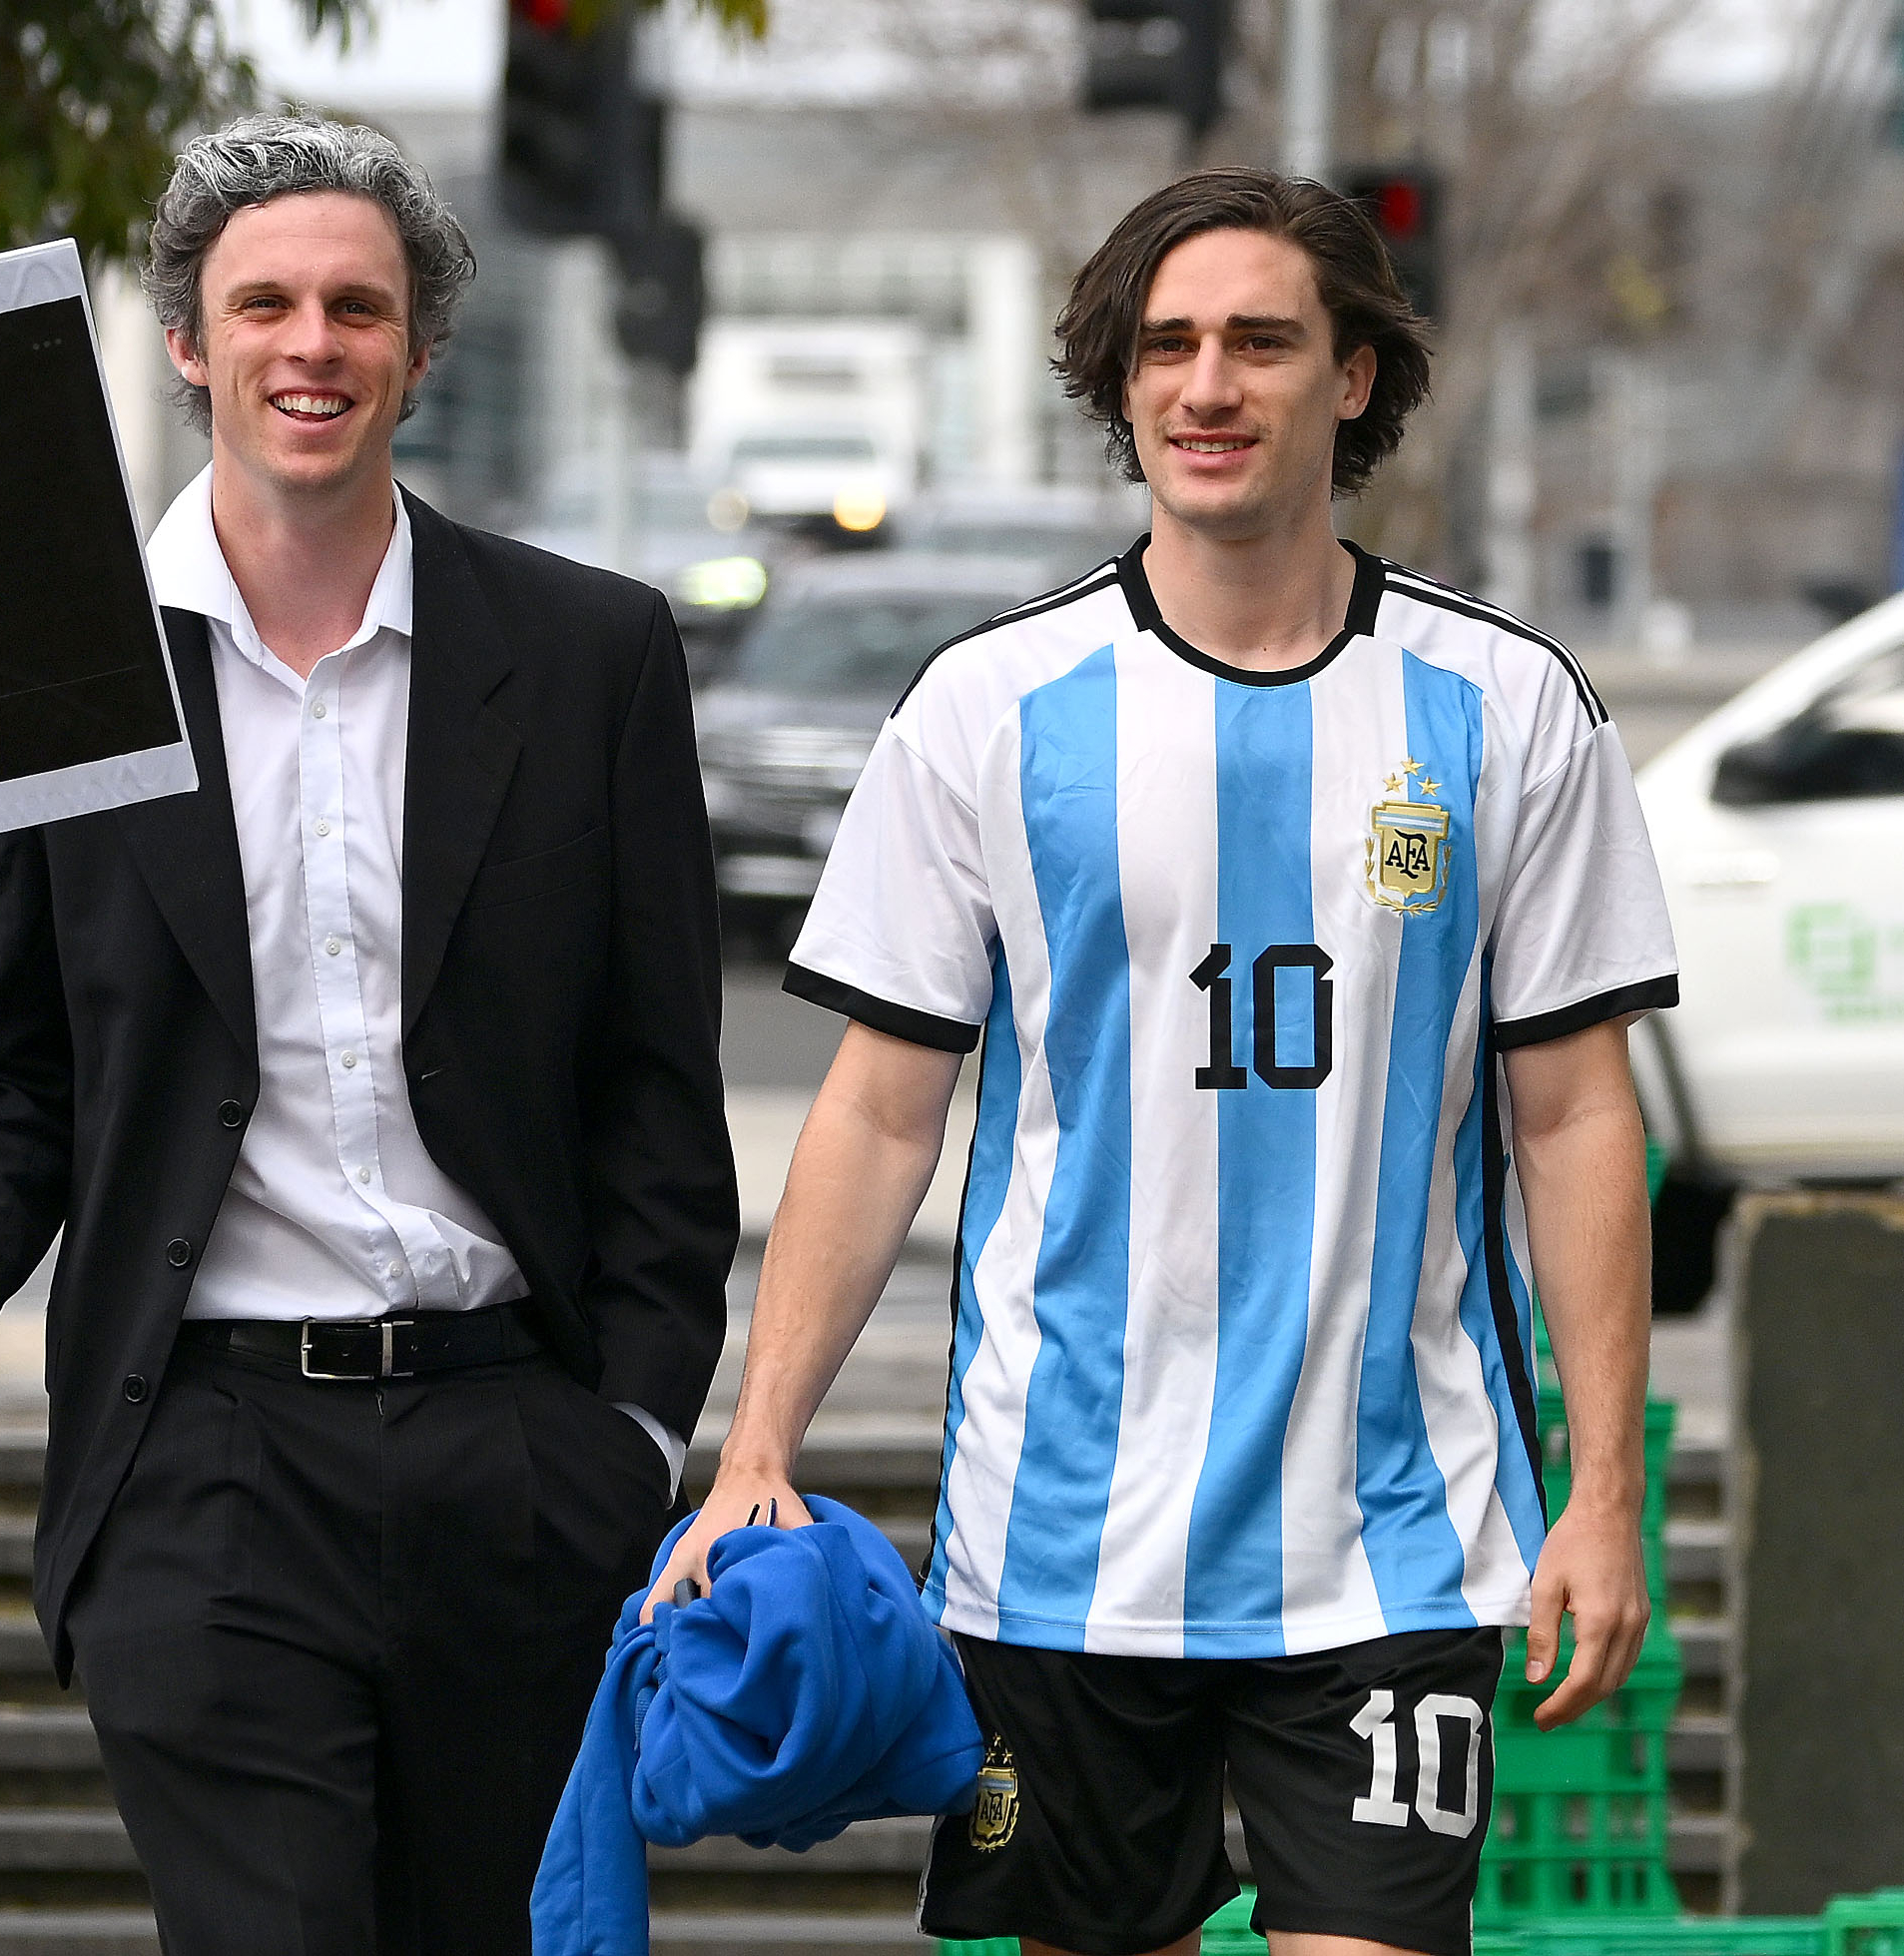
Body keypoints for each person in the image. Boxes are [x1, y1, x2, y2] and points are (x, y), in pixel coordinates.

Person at [655, 167, 1677, 1956]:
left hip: (1394, 1536)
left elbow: (1572, 1108)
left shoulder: (1506, 702)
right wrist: (756, 1444)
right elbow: (881, 1104)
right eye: (1167, 346)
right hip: (1059, 1539)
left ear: (1350, 377)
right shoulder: (984, 706)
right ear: (1119, 384)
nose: (1207, 386)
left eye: (1261, 342)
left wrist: (1598, 1493)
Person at [0, 114, 735, 1954]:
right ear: (187, 341)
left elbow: (654, 1088)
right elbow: (15, 1067)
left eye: (356, 307)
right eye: (267, 303)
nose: (313, 342)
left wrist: (626, 1427)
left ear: (417, 345)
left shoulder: (589, 653)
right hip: (199, 1468)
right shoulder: (47, 680)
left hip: (513, 1450)